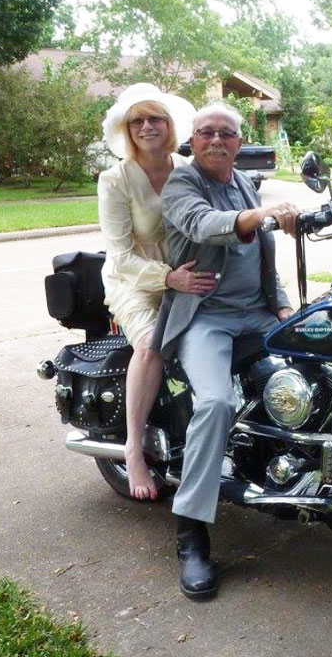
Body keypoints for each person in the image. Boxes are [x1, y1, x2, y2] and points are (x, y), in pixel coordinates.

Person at [155, 101, 300, 599]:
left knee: (322, 365)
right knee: (216, 402)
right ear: (192, 140)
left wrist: (283, 306)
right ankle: (191, 533)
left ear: (239, 143)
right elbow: (204, 224)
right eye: (206, 132)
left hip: (256, 314)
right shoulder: (182, 183)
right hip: (206, 317)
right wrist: (261, 214)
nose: (216, 140)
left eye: (226, 133)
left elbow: (265, 260)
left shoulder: (243, 182)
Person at [98, 82, 216, 500]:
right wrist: (168, 279)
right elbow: (121, 255)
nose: (147, 126)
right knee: (151, 344)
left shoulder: (188, 169)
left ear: (169, 126)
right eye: (137, 121)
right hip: (134, 281)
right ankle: (133, 449)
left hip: (186, 273)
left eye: (155, 119)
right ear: (127, 130)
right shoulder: (115, 180)